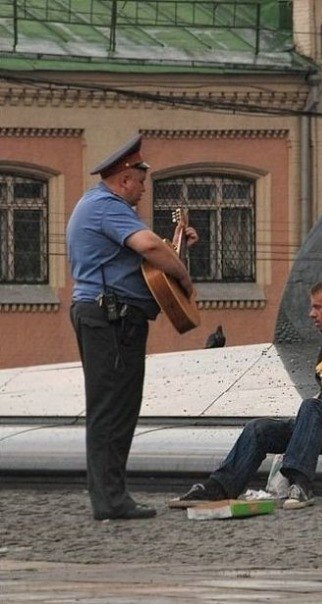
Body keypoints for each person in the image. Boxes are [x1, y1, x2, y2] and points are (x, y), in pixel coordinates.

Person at [67, 133, 198, 521]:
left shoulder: (100, 205)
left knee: (117, 406)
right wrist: (185, 277)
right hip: (111, 318)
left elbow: (143, 258)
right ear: (125, 178)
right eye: (141, 183)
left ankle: (112, 494)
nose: (143, 192)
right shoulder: (107, 206)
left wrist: (178, 250)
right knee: (112, 408)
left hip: (111, 317)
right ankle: (110, 500)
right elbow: (150, 248)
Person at [175, 277, 322, 510]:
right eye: (311, 307)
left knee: (311, 407)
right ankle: (220, 487)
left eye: (318, 307)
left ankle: (300, 485)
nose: (311, 314)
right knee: (259, 429)